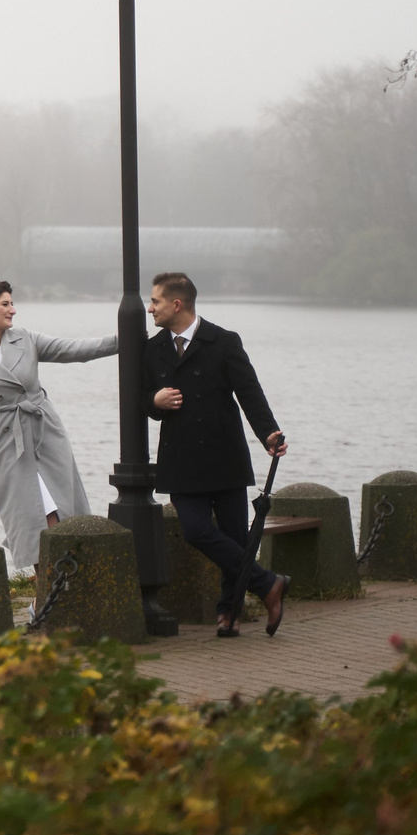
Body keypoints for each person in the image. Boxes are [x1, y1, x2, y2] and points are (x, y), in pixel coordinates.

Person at [0, 276, 116, 569]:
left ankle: (52, 596)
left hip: (45, 434)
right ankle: (50, 596)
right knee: (33, 521)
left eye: (12, 303)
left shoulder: (26, 339)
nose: (13, 310)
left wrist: (124, 340)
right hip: (5, 444)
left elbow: (77, 350)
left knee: (61, 515)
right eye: (5, 304)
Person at [143, 271, 291, 638]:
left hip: (225, 456)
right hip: (181, 460)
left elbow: (249, 392)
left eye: (156, 301)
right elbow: (142, 399)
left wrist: (268, 433)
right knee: (195, 530)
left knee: (235, 538)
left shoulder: (223, 341)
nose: (150, 308)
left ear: (177, 304)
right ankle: (269, 584)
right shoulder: (153, 348)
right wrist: (154, 401)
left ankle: (229, 613)